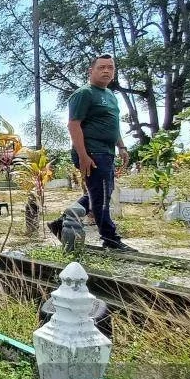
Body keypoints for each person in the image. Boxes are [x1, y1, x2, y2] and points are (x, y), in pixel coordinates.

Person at [49, 54, 137, 252]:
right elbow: (73, 125)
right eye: (102, 67)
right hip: (92, 152)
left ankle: (61, 223)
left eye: (110, 68)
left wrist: (121, 146)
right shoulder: (84, 94)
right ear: (91, 71)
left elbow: (113, 125)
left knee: (100, 193)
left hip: (107, 152)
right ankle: (110, 239)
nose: (106, 71)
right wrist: (83, 156)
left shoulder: (110, 96)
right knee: (101, 195)